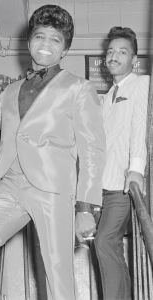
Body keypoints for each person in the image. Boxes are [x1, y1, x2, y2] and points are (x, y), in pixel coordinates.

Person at [0, 5, 105, 300]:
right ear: (30, 41)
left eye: (55, 39)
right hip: (10, 184)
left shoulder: (79, 89)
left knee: (58, 281)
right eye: (40, 36)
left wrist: (87, 207)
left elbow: (93, 149)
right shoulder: (9, 91)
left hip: (53, 191)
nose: (46, 43)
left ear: (64, 50)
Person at [94, 27, 149, 300]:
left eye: (122, 51)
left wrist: (137, 169)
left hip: (123, 185)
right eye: (111, 51)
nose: (114, 56)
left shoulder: (141, 84)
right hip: (102, 187)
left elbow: (140, 125)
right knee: (108, 245)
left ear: (134, 60)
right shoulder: (106, 97)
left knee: (105, 241)